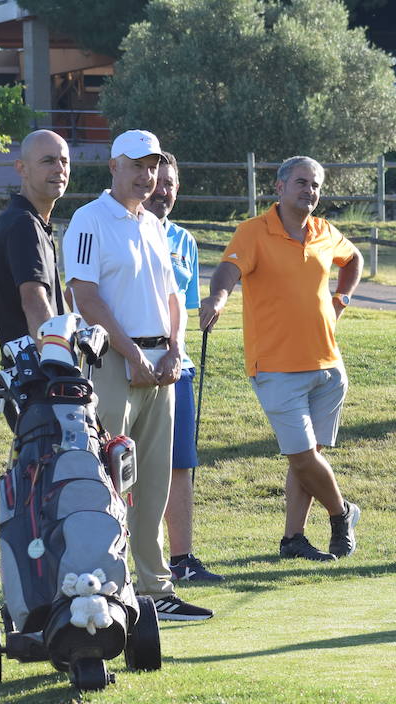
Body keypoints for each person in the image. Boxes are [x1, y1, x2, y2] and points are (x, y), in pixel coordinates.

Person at [62, 129, 213, 620]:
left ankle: (154, 588)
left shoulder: (151, 223)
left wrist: (175, 351)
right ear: (114, 167)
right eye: (137, 166)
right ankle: (105, 582)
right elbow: (85, 298)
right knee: (108, 480)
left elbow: (174, 299)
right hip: (112, 365)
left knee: (153, 482)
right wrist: (134, 355)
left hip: (160, 367)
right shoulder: (89, 220)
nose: (147, 177)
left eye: (153, 168)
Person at [199, 156, 363, 562]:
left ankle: (293, 539)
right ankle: (342, 515)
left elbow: (354, 259)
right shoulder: (253, 232)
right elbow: (227, 270)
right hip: (275, 367)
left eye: (316, 185)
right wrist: (218, 298)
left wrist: (342, 298)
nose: (310, 191)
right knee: (302, 456)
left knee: (309, 459)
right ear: (280, 187)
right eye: (302, 183)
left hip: (327, 365)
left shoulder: (325, 231)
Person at [142, 152, 225, 584]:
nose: (163, 190)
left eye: (171, 183)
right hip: (130, 368)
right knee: (128, 466)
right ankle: (133, 560)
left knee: (180, 466)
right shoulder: (119, 232)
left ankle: (182, 560)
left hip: (178, 369)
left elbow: (185, 311)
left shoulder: (185, 242)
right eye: (157, 181)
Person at [0, 129, 70, 355]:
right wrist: (59, 362)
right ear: (22, 168)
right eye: (48, 161)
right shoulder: (23, 224)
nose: (59, 169)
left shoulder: (30, 221)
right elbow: (34, 301)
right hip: (39, 377)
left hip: (34, 374)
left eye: (64, 161)